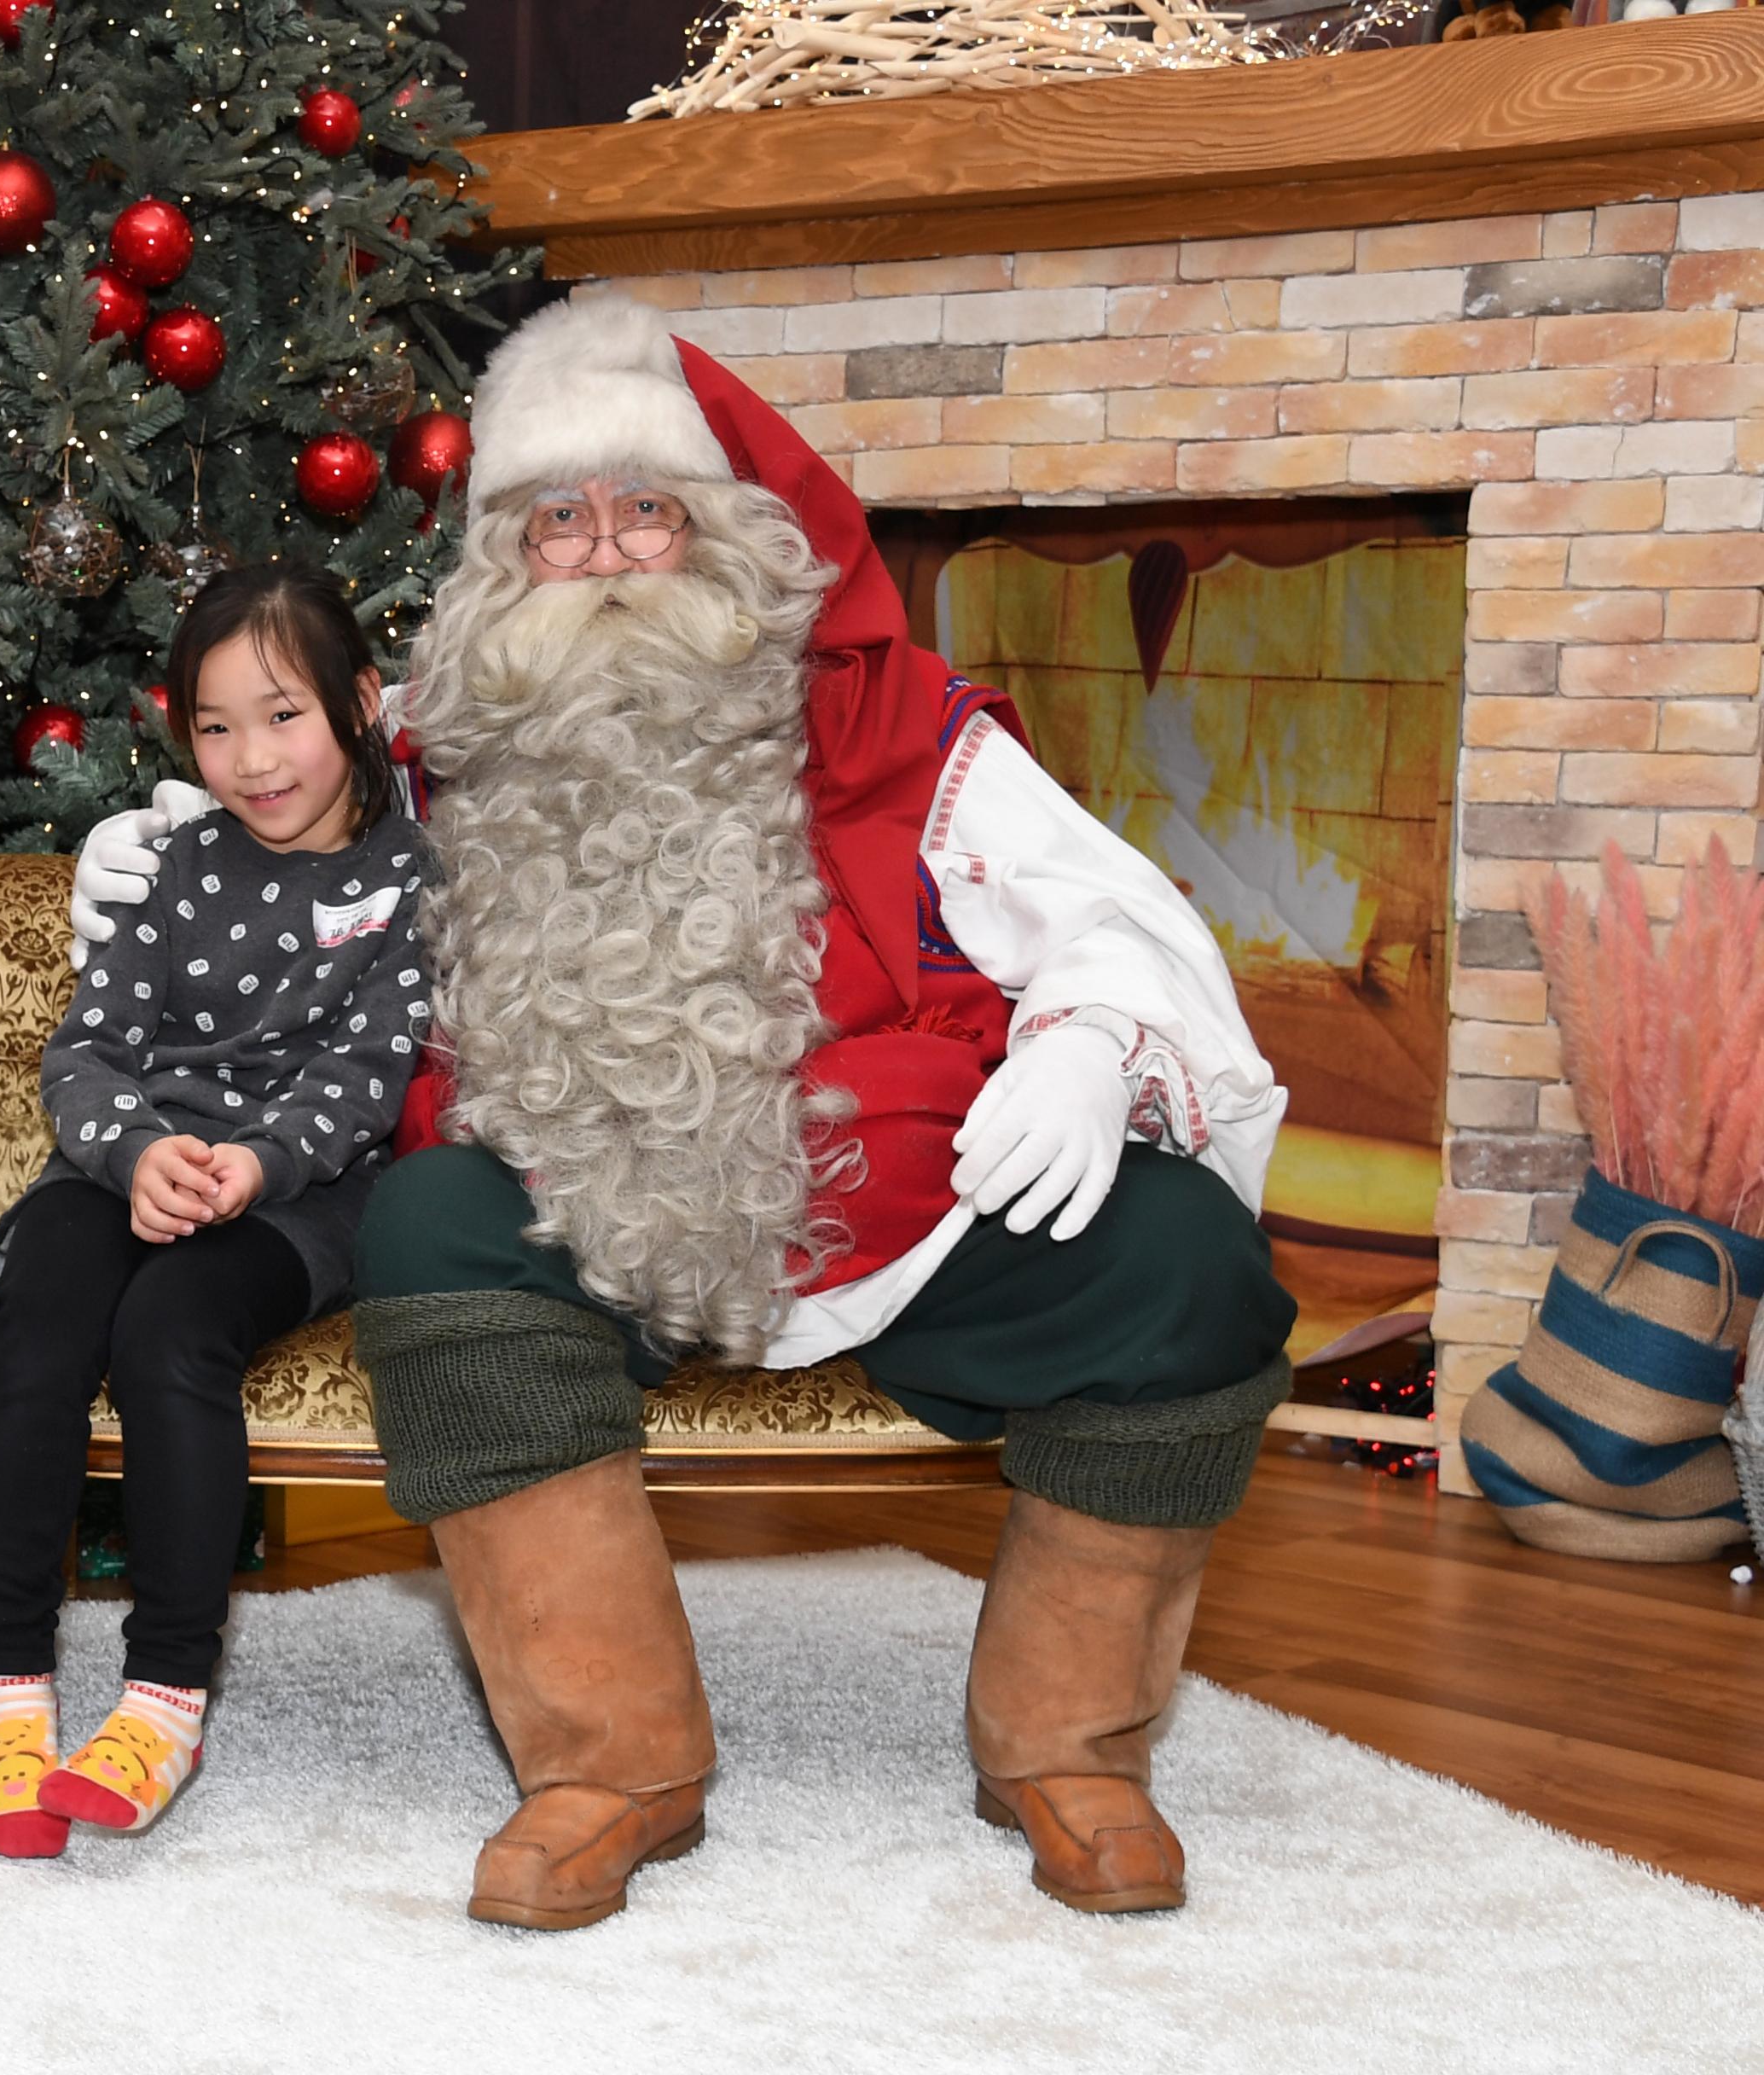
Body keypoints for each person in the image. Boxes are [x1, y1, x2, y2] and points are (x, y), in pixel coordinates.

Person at [71, 294, 1294, 1927]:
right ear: (506, 556)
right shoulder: (445, 746)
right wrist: (171, 846)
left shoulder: (900, 727)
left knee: (1187, 1261)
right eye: (558, 520)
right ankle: (607, 1764)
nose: (608, 553)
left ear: (728, 529)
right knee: (440, 1220)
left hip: (896, 1202)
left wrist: (1085, 1050)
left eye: (646, 507)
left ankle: (1070, 1751)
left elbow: (1110, 921)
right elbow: (282, 798)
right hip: (586, 1210)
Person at [0, 565, 432, 1858]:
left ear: (359, 704)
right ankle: (14, 1699)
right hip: (125, 1163)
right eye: (215, 728)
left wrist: (260, 1165)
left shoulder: (414, 880)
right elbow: (85, 1053)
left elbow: (370, 1074)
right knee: (43, 1330)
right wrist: (141, 1151)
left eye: (282, 717)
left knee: (170, 1337)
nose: (252, 759)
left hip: (301, 1195)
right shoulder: (175, 866)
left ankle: (165, 1698)